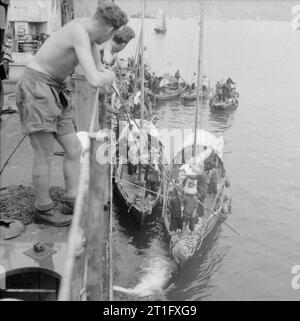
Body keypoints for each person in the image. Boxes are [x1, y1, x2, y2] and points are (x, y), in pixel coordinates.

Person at [15, 2, 128, 227]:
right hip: (36, 87)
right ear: (109, 31)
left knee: (74, 148)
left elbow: (99, 69)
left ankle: (71, 199)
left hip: (56, 89)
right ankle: (43, 208)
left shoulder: (91, 37)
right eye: (113, 34)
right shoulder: (78, 32)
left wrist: (105, 73)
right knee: (44, 153)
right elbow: (97, 79)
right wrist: (111, 76)